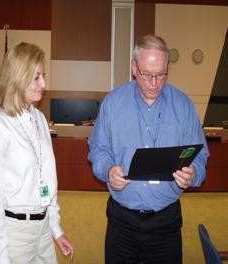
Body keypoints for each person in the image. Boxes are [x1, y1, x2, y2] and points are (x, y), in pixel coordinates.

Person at [88, 34, 209, 264]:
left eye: (161, 75)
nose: (154, 83)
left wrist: (193, 173)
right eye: (147, 75)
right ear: (134, 68)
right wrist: (108, 169)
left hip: (166, 222)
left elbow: (201, 153)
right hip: (122, 221)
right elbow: (98, 148)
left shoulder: (183, 105)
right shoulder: (112, 103)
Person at [0, 42, 74, 264]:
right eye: (37, 77)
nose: (44, 83)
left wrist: (55, 229)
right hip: (14, 235)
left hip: (42, 230)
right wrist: (2, 256)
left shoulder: (39, 119)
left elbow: (46, 180)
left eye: (44, 75)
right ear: (18, 78)